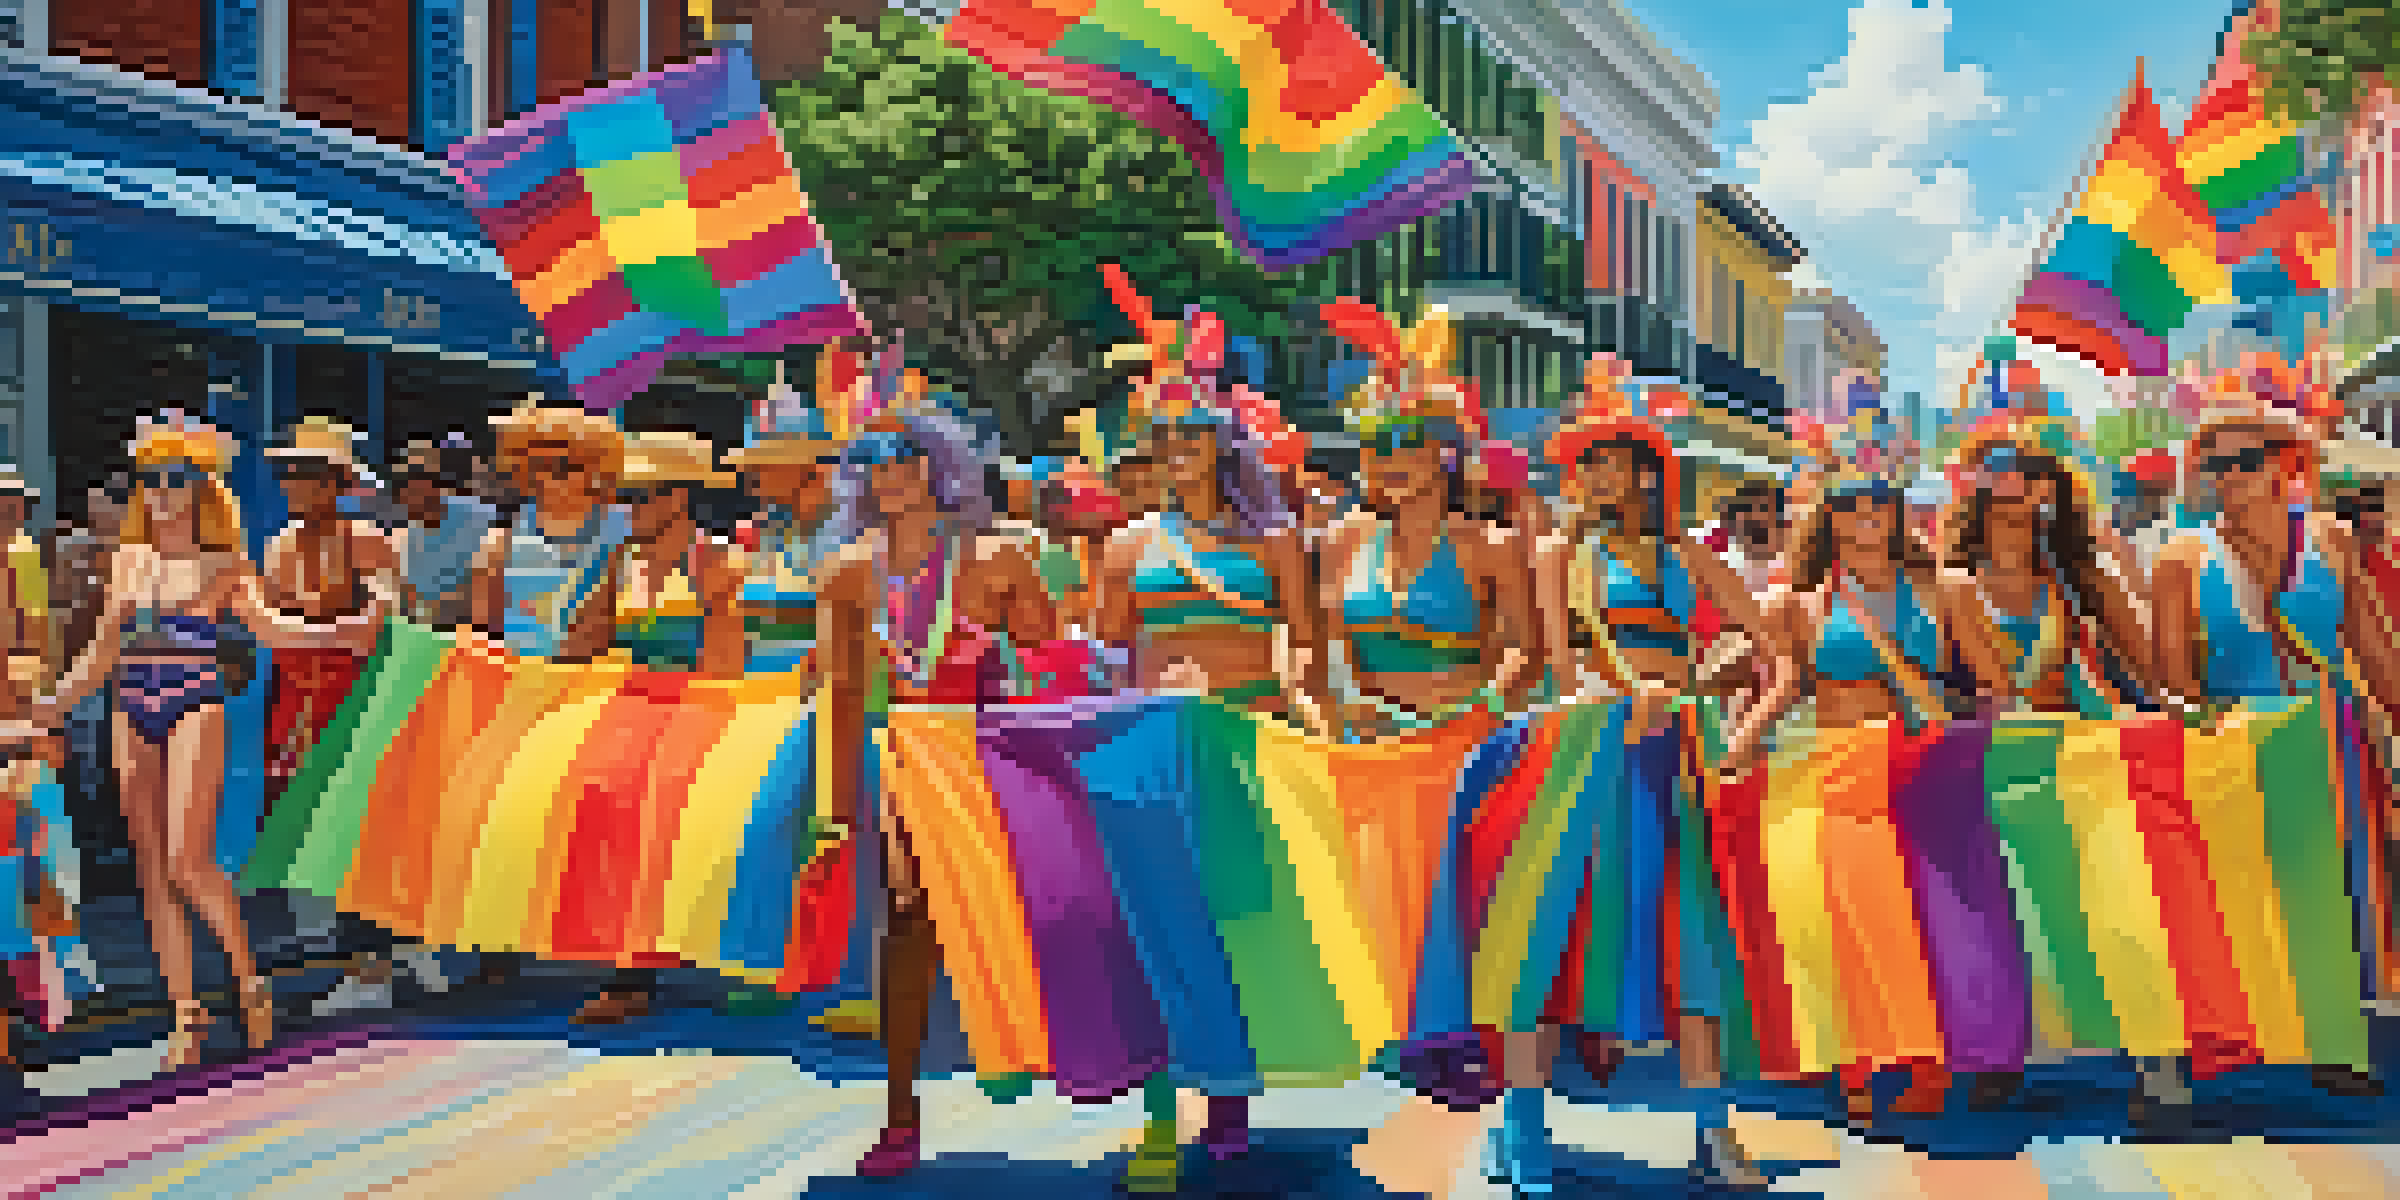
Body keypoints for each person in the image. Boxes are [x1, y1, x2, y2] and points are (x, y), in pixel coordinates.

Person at [0, 414, 383, 1069]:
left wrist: (354, 628)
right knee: (151, 870)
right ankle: (186, 1015)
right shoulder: (127, 561)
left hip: (194, 701)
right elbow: (98, 656)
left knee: (189, 863)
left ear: (204, 487)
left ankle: (247, 978)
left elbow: (277, 633)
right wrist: (45, 710)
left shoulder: (227, 565)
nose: (160, 492)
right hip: (130, 705)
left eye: (176, 478)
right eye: (149, 479)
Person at [1472, 385, 1776, 1191]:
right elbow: (1564, 672)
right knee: (1549, 933)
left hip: (1676, 759)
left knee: (1694, 941)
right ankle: (1523, 1126)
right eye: (1590, 466)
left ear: (1651, 474)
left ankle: (1715, 1134)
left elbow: (1768, 649)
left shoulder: (1689, 557)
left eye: (1617, 464)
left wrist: (1712, 700)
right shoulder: (1560, 558)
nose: (1602, 479)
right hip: (1583, 759)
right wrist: (1619, 696)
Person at [820, 412, 1061, 1180]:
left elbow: (1055, 669)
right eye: (868, 460)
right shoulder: (850, 571)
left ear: (936, 465)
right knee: (905, 927)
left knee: (1055, 916)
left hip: (994, 758)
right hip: (907, 760)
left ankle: (1110, 1076)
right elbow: (844, 691)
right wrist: (835, 803)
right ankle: (899, 1114)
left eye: (899, 457)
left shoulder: (997, 558)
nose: (884, 474)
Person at [2149, 406, 2400, 1118]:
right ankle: (2207, 1043)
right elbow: (2173, 675)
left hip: (2328, 736)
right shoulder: (2182, 557)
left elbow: (2377, 652)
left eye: (2246, 459)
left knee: (2335, 888)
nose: (2229, 476)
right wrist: (2193, 722)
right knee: (2227, 896)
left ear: (2286, 464)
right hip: (2236, 741)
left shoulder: (2332, 540)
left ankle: (2334, 1042)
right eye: (2216, 463)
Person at [255, 419, 433, 1015]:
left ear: (336, 482)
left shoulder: (365, 538)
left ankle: (375, 967)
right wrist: (314, 633)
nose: (293, 484)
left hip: (358, 701)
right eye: (287, 472)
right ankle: (385, 952)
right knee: (319, 839)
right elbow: (267, 628)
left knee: (358, 837)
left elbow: (382, 620)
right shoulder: (280, 542)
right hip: (298, 704)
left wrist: (301, 632)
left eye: (307, 473)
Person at [460, 403, 636, 992]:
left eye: (564, 465)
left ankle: (625, 964)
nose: (548, 477)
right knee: (508, 822)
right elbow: (482, 629)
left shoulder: (626, 529)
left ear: (594, 469)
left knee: (609, 829)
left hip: (604, 692)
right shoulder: (501, 540)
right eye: (534, 465)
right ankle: (498, 945)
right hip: (523, 696)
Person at [389, 445, 498, 630]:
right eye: (401, 486)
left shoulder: (478, 516)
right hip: (433, 627)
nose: (406, 494)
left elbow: (491, 583)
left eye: (416, 480)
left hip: (478, 624)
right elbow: (413, 596)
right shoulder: (409, 537)